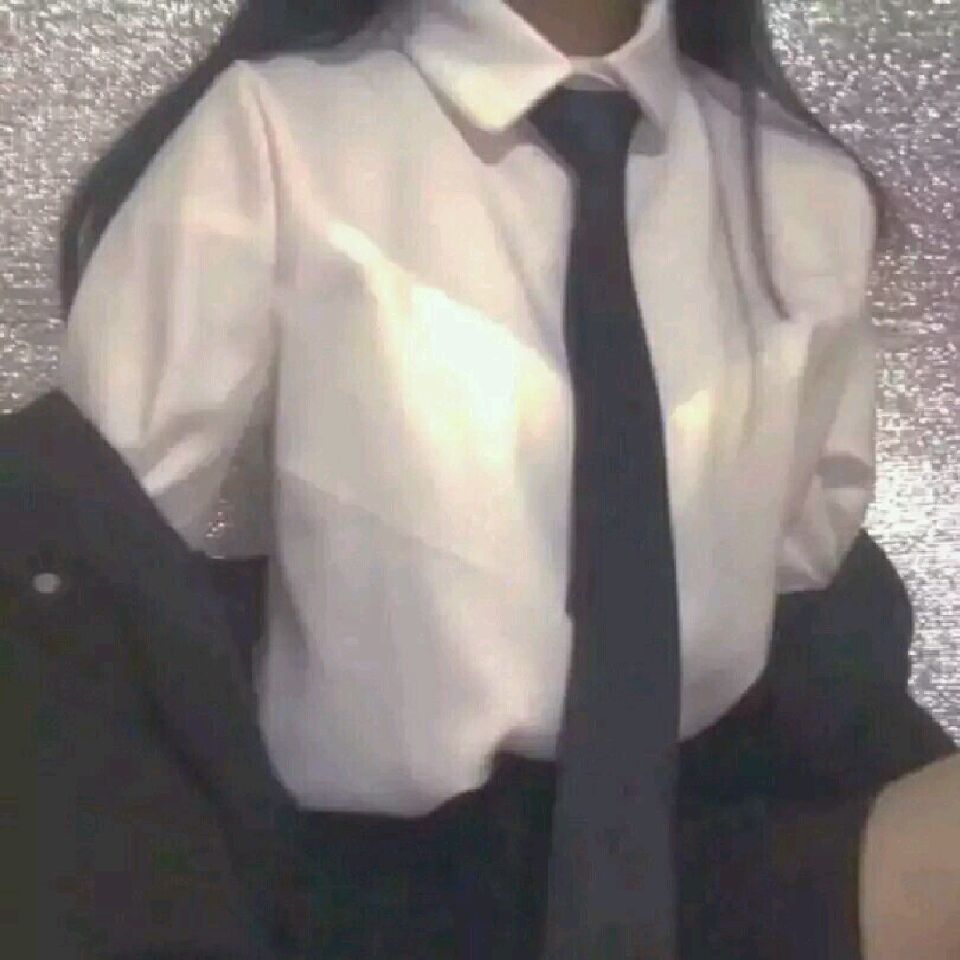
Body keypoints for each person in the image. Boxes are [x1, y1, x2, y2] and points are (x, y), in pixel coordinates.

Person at [54, 0, 959, 958]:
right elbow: (84, 550)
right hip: (394, 888)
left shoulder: (798, 187)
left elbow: (804, 560)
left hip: (711, 839)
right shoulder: (280, 135)